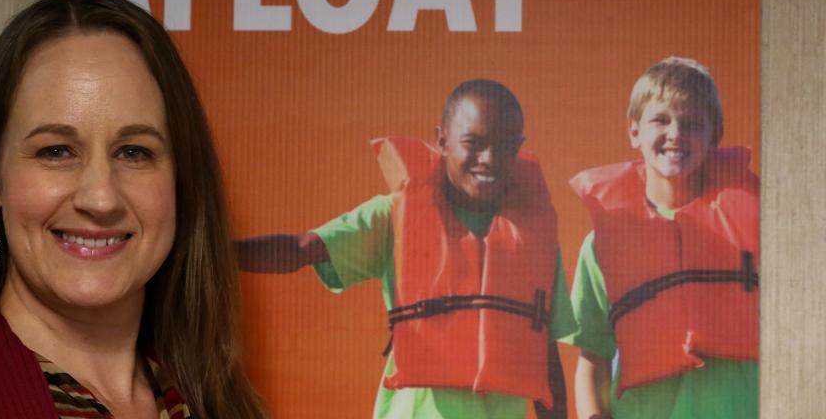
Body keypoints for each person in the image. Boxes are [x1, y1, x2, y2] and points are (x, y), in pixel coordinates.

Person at [0, 0, 266, 419]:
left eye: (134, 152)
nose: (100, 198)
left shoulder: (223, 407)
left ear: (181, 179)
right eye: (56, 151)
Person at [237, 79, 573, 419]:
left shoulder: (533, 238)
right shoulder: (393, 216)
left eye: (504, 146)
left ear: (520, 145)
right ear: (442, 139)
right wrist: (214, 253)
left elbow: (545, 355)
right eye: (473, 143)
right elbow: (300, 248)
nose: (489, 159)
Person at [563, 57, 759, 419]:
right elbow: (592, 361)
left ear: (715, 136)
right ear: (634, 132)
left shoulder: (765, 231)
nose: (675, 134)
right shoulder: (602, 245)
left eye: (692, 123)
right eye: (661, 120)